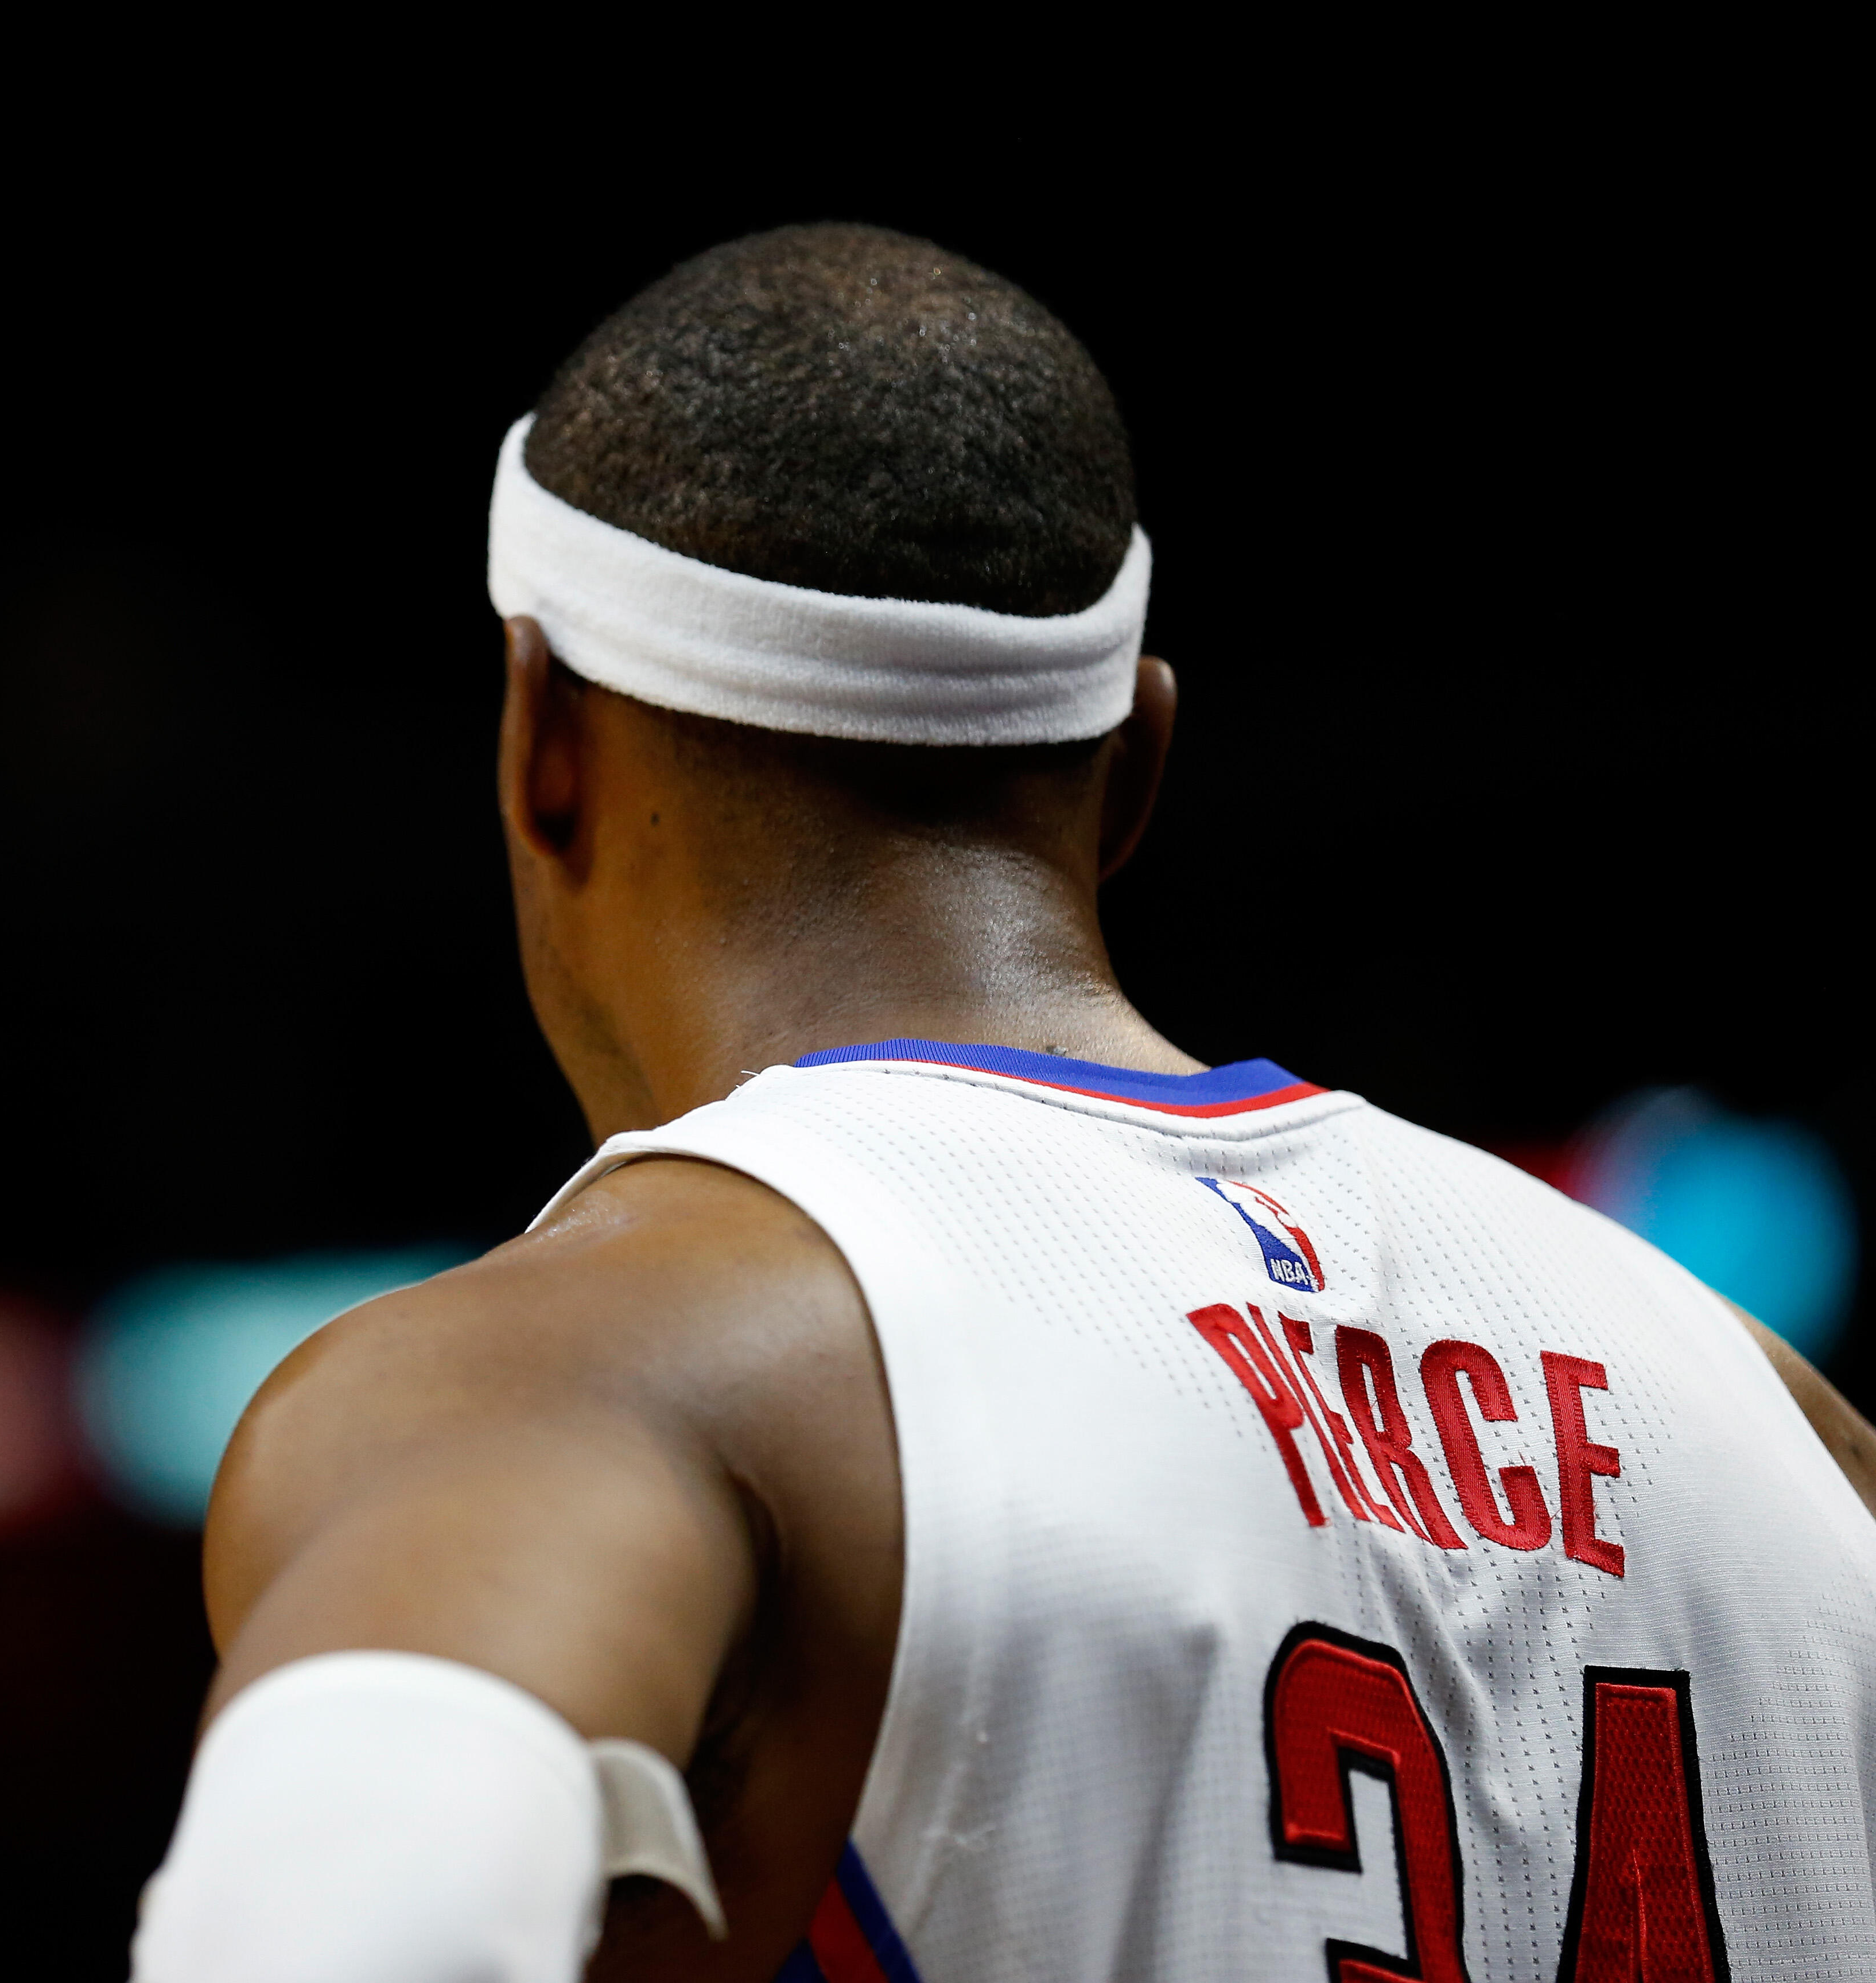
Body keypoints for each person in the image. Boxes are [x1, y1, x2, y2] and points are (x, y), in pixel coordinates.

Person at [129, 224, 1876, 1982]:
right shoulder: (1787, 1434)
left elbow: (348, 1925)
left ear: (541, 739)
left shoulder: (603, 1373)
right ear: (1134, 768)